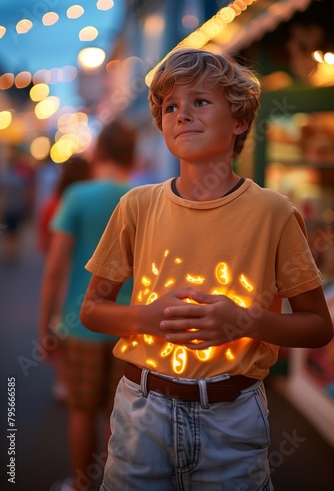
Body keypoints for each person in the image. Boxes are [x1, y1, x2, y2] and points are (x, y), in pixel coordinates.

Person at [80, 49, 333, 491]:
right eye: (171, 107)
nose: (182, 115)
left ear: (238, 120)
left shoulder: (273, 212)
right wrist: (147, 317)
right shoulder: (136, 206)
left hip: (232, 415)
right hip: (142, 409)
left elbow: (317, 326)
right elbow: (91, 310)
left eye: (200, 102)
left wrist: (243, 321)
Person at [38, 119, 137, 491]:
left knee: (81, 411)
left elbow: (54, 268)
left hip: (80, 322)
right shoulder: (141, 197)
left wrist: (45, 326)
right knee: (119, 414)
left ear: (98, 152)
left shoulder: (77, 196)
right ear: (133, 154)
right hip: (129, 325)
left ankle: (81, 485)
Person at [37, 155, 92, 402]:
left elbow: (46, 246)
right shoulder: (90, 200)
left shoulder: (53, 204)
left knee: (61, 322)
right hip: (86, 273)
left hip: (62, 272)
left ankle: (63, 378)